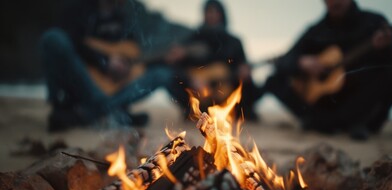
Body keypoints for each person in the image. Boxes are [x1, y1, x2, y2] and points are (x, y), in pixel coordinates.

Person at [265, 0, 392, 140]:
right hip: (325, 104)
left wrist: (385, 48)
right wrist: (301, 62)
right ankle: (323, 121)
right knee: (274, 79)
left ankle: (349, 121)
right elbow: (285, 60)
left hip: (361, 102)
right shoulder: (316, 30)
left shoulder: (374, 23)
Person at [40, 0, 173, 131]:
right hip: (85, 85)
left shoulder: (121, 17)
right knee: (52, 38)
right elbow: (72, 41)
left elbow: (132, 52)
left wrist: (124, 64)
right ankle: (108, 112)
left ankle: (91, 113)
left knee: (162, 75)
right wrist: (103, 62)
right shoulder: (77, 9)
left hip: (111, 87)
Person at [167, 0, 262, 120]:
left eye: (214, 12)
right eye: (208, 12)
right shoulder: (193, 39)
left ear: (222, 14)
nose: (211, 15)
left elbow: (242, 66)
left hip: (225, 92)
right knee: (169, 78)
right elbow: (177, 67)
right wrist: (191, 79)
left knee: (249, 85)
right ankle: (193, 111)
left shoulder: (234, 42)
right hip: (197, 94)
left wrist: (244, 72)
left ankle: (239, 111)